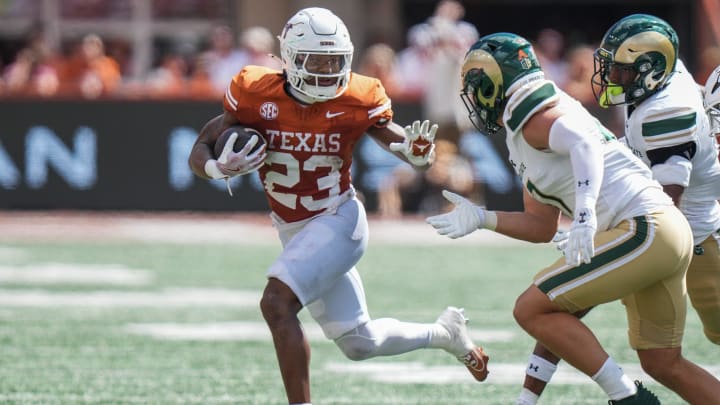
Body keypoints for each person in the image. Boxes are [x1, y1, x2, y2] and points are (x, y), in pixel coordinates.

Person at [187, 7, 488, 405]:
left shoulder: (357, 95)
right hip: (294, 229)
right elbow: (203, 144)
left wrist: (416, 153)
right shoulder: (254, 90)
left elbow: (392, 136)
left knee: (276, 303)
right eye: (317, 60)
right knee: (360, 343)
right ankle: (446, 334)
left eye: (335, 60)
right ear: (291, 57)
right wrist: (216, 166)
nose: (328, 70)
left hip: (338, 219)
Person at [426, 31, 720, 404]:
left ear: (493, 84)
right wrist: (482, 218)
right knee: (663, 362)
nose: (472, 98)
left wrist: (584, 215)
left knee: (531, 306)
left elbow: (581, 143)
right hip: (658, 233)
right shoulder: (527, 136)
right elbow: (540, 226)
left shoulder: (527, 108)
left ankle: (628, 399)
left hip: (646, 227)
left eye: (475, 86)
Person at [514, 15, 720, 404]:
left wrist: (600, 239)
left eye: (619, 70)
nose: (610, 77)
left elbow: (663, 209)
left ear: (649, 70)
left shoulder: (665, 113)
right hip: (675, 229)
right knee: (661, 362)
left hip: (698, 236)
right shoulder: (664, 80)